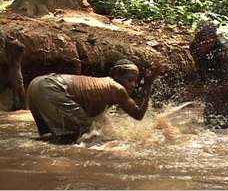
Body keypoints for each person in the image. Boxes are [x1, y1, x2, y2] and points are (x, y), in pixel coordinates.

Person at [26, 59, 161, 144]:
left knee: (53, 138)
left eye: (135, 82)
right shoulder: (117, 88)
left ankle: (32, 146)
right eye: (129, 79)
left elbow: (131, 104)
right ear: (116, 75)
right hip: (51, 88)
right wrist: (148, 84)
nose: (132, 85)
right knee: (86, 135)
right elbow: (138, 114)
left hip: (37, 84)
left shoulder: (104, 84)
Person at [189, 21, 228, 129]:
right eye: (200, 42)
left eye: (207, 43)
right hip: (219, 70)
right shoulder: (194, 47)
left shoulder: (226, 48)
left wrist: (208, 91)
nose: (202, 46)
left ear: (214, 39)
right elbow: (201, 71)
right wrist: (202, 88)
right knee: (211, 113)